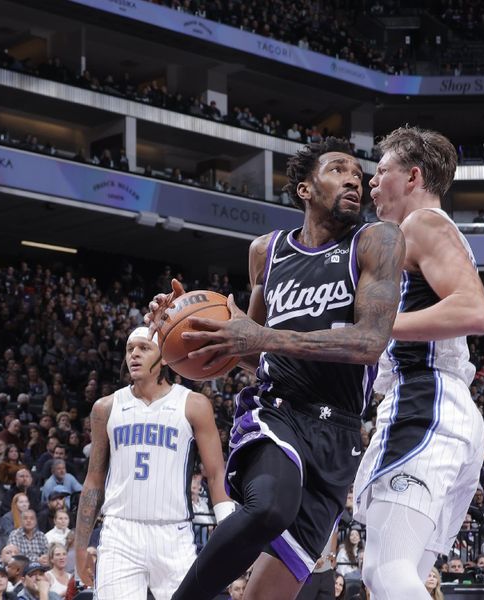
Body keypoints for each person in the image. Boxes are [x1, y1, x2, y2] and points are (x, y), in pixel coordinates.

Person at [148, 137, 404, 600]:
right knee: (268, 508)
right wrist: (186, 333)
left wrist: (258, 338)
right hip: (276, 412)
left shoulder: (377, 240)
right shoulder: (266, 251)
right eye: (338, 169)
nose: (355, 179)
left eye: (358, 173)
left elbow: (370, 342)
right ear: (305, 189)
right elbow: (248, 350)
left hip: (340, 433)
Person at [351, 126, 484, 600]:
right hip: (444, 410)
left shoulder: (422, 224)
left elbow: (474, 311)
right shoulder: (422, 234)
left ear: (412, 177)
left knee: (385, 572)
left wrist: (378, 328)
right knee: (401, 574)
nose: (371, 183)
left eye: (381, 171)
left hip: (424, 400)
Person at [74, 326, 233, 600]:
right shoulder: (106, 407)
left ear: (166, 357)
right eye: (129, 348)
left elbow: (216, 474)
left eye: (144, 348)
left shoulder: (193, 404)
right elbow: (94, 479)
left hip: (174, 532)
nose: (134, 354)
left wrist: (231, 537)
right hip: (119, 532)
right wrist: (80, 545)